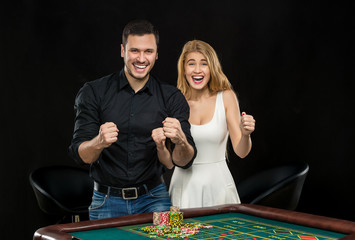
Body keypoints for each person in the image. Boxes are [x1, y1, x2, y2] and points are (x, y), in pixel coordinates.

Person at [68, 19, 196, 220]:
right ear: (122, 51)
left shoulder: (171, 97)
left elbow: (184, 161)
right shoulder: (94, 92)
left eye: (148, 51)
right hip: (106, 200)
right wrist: (99, 141)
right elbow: (81, 155)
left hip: (155, 198)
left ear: (156, 54)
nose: (142, 59)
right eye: (135, 51)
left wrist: (181, 140)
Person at [168, 40, 256, 208]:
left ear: (212, 68)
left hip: (219, 186)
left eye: (204, 64)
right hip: (183, 186)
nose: (197, 70)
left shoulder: (226, 97)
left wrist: (245, 134)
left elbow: (241, 152)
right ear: (184, 69)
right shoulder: (175, 101)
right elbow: (168, 158)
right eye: (191, 63)